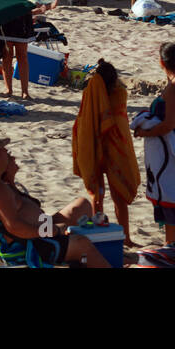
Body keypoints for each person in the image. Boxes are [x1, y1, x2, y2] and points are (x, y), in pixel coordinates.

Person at [0, 132, 109, 267]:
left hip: (37, 229)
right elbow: (14, 227)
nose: (8, 153)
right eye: (5, 150)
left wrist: (10, 179)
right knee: (82, 243)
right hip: (29, 244)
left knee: (80, 207)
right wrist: (52, 231)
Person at [133, 42, 175, 253]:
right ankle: (170, 244)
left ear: (161, 62)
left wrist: (144, 132)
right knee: (169, 197)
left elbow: (169, 123)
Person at [72, 60, 140, 245]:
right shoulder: (119, 93)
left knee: (97, 193)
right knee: (118, 195)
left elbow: (86, 117)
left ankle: (99, 233)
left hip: (94, 145)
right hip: (115, 148)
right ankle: (125, 237)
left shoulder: (93, 93)